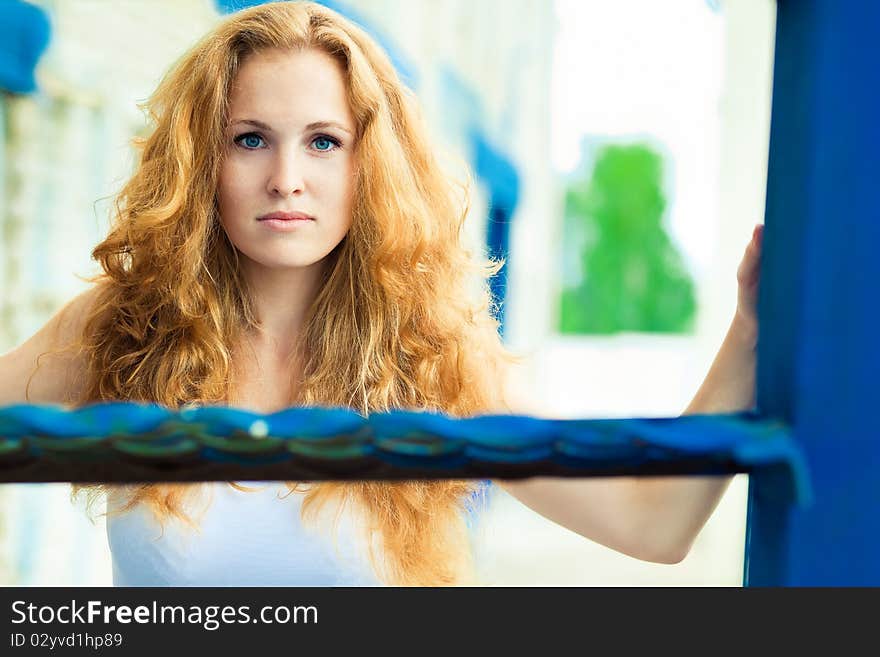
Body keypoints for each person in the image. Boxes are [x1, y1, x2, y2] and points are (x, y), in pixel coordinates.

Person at [0, 1, 762, 586]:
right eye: (250, 138)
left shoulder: (433, 352)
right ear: (204, 161)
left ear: (371, 166)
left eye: (324, 141)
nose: (287, 177)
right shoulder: (125, 325)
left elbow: (652, 521)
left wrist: (749, 329)